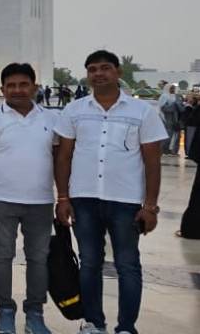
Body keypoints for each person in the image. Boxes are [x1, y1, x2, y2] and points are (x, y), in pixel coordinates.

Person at [54, 50, 167, 334]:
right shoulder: (74, 111)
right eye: (92, 69)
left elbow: (152, 161)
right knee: (89, 263)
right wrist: (63, 197)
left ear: (118, 72)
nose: (98, 74)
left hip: (125, 201)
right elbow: (64, 157)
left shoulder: (142, 112)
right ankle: (94, 323)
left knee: (127, 264)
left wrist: (150, 206)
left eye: (105, 68)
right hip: (84, 199)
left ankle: (126, 327)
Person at [0, 62, 57, 334]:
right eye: (11, 85)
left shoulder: (51, 119)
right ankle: (5, 310)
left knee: (38, 259)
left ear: (35, 87)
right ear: (2, 90)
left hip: (41, 202)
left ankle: (35, 313)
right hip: (1, 201)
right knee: (1, 256)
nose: (17, 90)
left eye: (23, 85)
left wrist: (65, 198)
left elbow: (60, 160)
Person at [159, 85, 182, 156]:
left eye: (173, 88)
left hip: (175, 119)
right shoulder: (164, 96)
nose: (173, 90)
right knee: (167, 135)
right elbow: (163, 107)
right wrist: (174, 105)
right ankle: (164, 150)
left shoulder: (176, 96)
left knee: (174, 136)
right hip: (167, 118)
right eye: (171, 88)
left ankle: (172, 150)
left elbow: (180, 107)